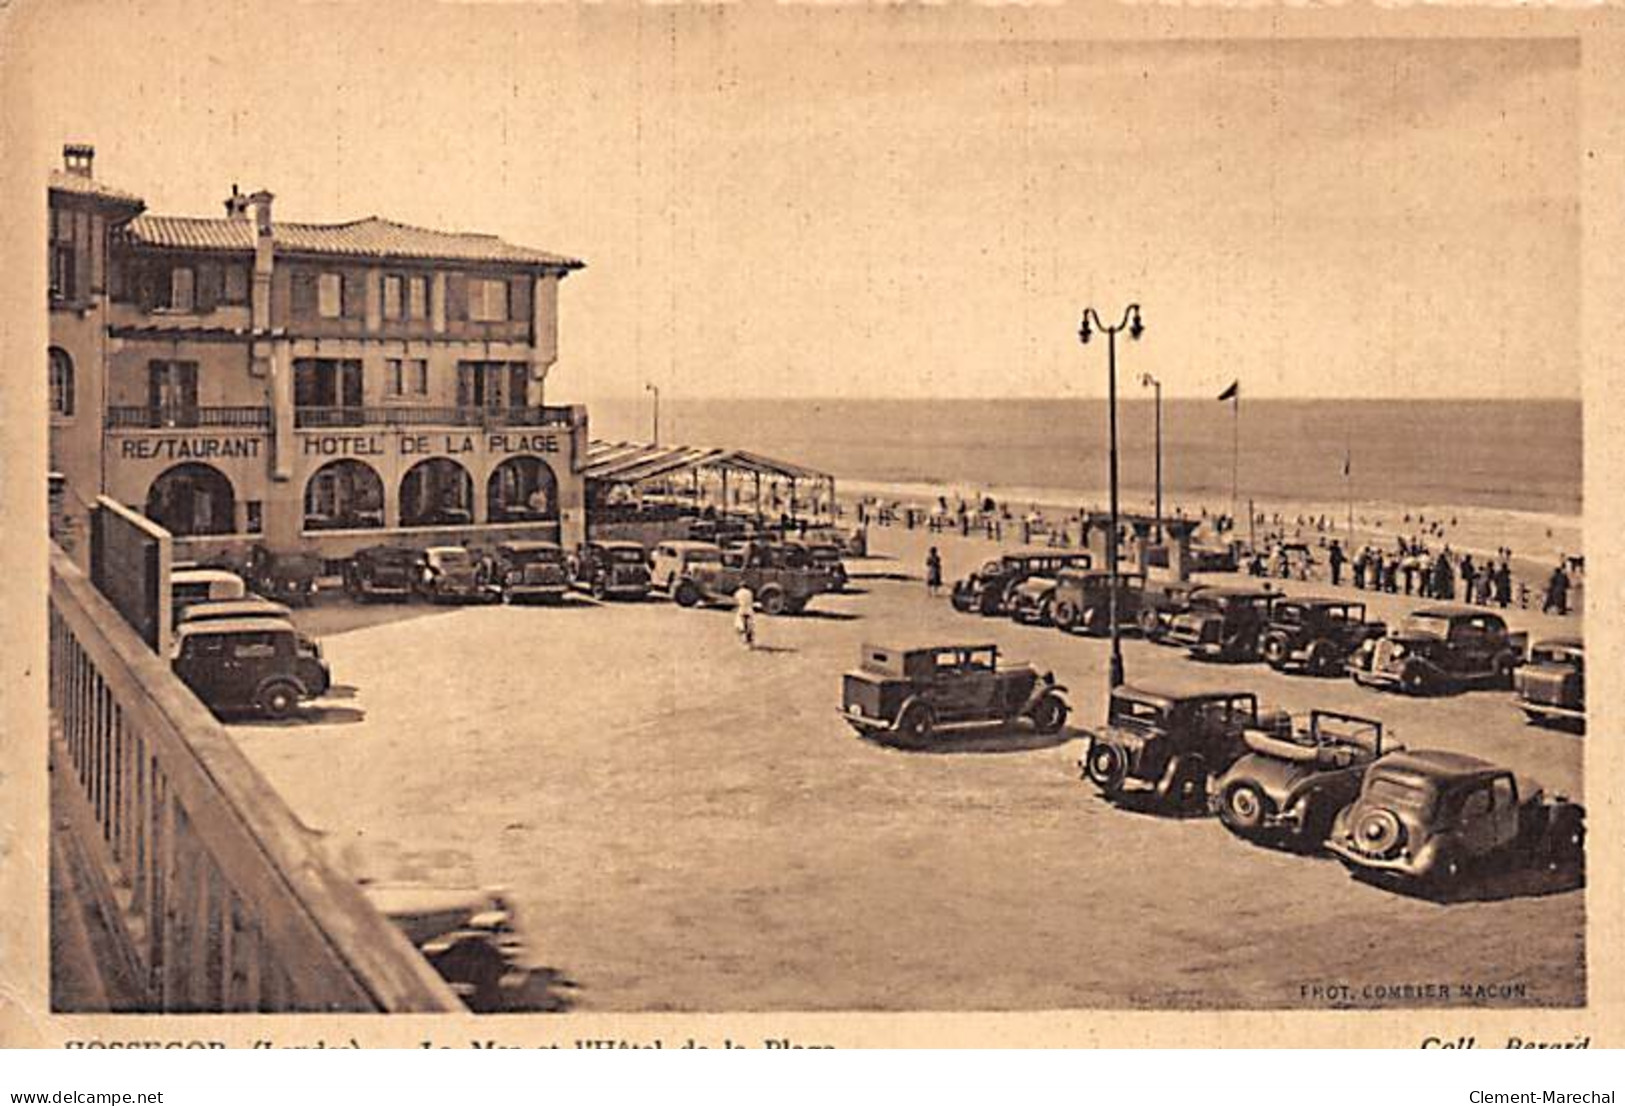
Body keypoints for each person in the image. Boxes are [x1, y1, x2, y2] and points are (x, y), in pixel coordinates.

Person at [733, 583, 756, 650]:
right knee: (749, 627)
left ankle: (744, 642)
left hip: (742, 610)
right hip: (749, 611)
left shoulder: (738, 592)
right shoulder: (749, 592)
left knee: (740, 627)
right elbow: (751, 601)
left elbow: (736, 601)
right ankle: (751, 643)